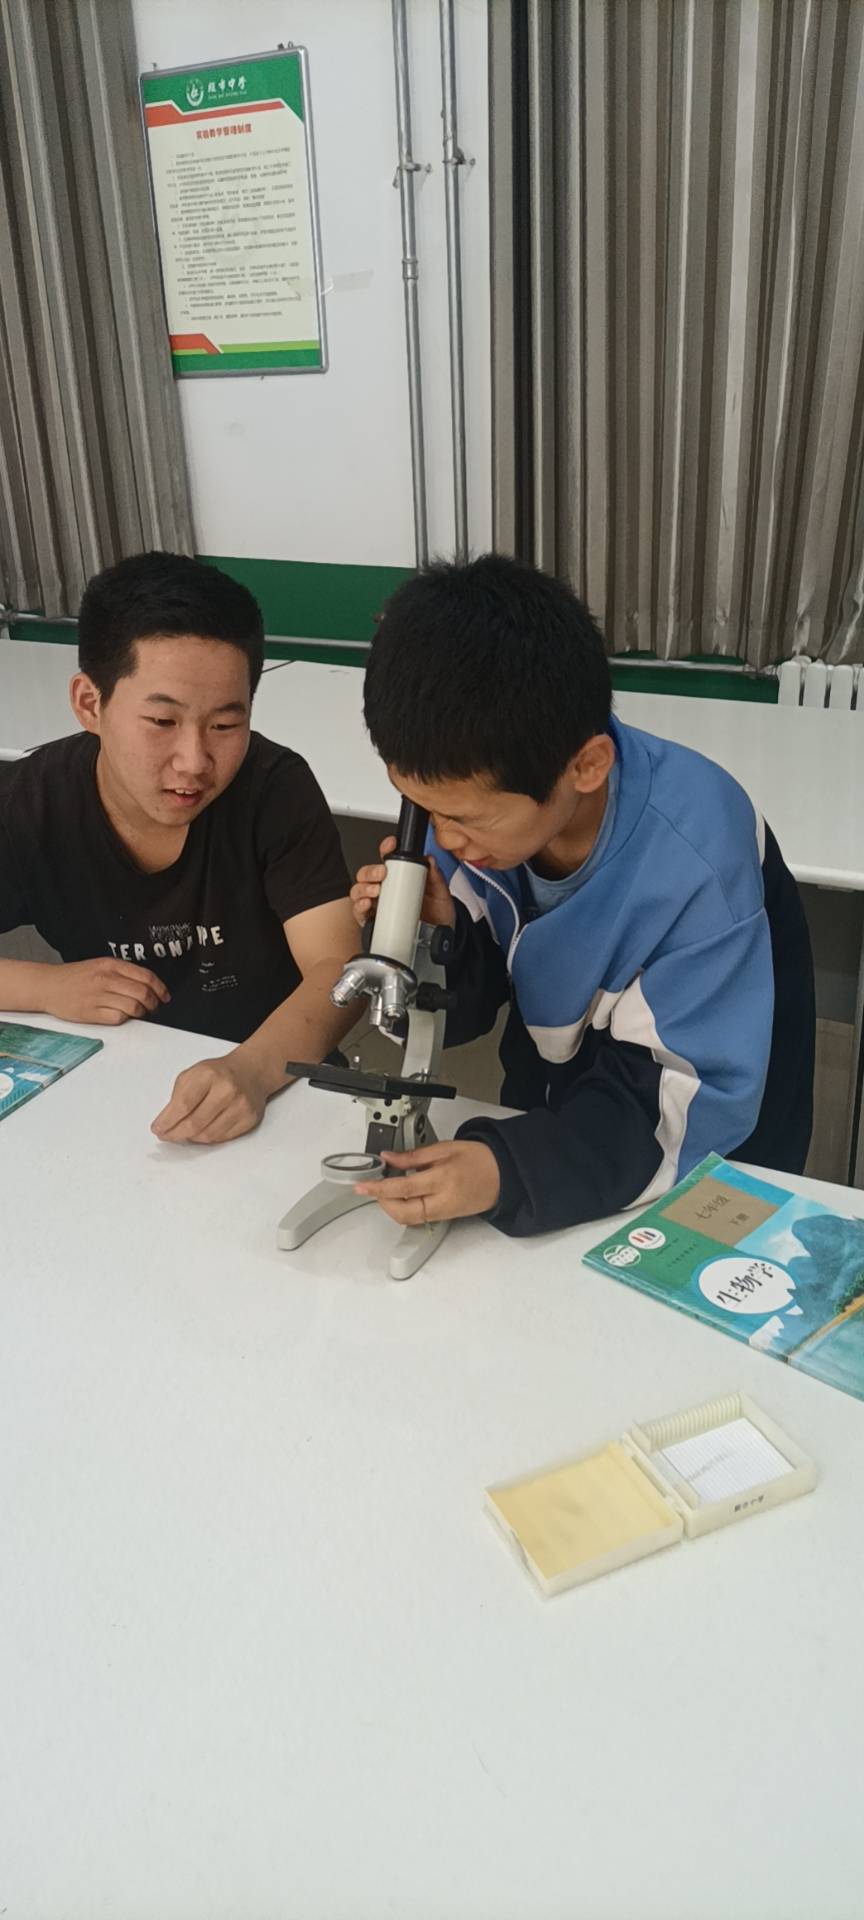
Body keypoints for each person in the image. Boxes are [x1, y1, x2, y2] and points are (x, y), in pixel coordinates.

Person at [349, 553, 815, 1238]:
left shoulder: (696, 860)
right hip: (565, 1099)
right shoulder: (478, 801)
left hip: (698, 1134)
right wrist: (440, 939)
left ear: (587, 765)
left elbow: (685, 1104)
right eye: (423, 808)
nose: (443, 839)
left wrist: (509, 1169)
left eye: (465, 819)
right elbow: (472, 1009)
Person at [0, 551, 361, 1143]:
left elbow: (340, 971)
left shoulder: (274, 789)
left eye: (225, 726)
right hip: (110, 1082)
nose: (194, 762)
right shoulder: (32, 804)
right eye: (162, 723)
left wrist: (253, 1068)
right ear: (91, 703)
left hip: (276, 1074)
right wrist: (46, 988)